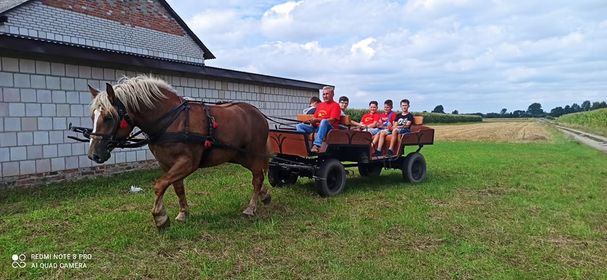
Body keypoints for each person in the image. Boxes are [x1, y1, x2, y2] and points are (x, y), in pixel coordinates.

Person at [296, 86, 341, 153]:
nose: (325, 96)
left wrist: (317, 120)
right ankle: (304, 145)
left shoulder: (335, 105)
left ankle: (316, 145)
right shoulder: (320, 105)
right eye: (323, 94)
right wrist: (313, 122)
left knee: (324, 121)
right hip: (318, 128)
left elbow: (332, 121)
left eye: (327, 94)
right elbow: (315, 118)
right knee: (299, 126)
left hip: (330, 130)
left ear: (332, 94)